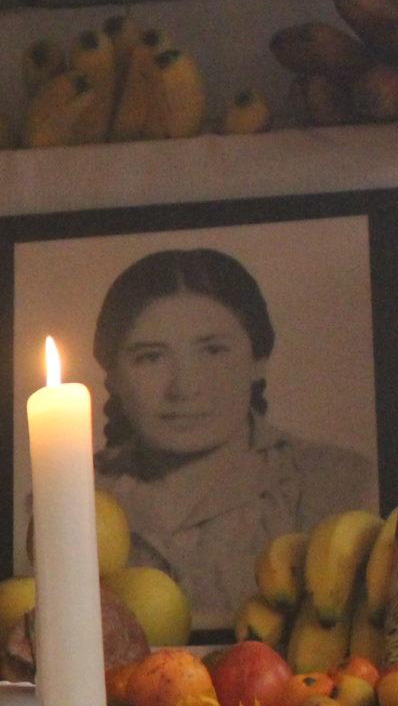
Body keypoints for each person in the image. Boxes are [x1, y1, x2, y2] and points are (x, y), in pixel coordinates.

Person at [89, 247, 375, 620]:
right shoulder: (71, 496)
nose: (184, 388)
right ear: (113, 376)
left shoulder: (336, 482)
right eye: (151, 357)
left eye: (212, 351)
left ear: (259, 360)